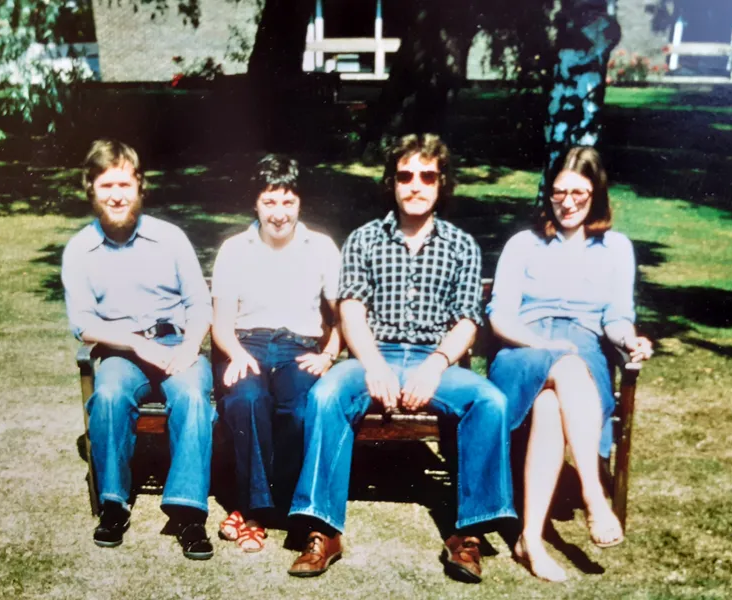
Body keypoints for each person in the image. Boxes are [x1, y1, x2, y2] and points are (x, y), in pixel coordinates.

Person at [286, 134, 515, 583]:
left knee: (492, 402)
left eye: (426, 176)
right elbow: (350, 309)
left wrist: (435, 366)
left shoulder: (461, 245)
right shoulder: (365, 239)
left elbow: (468, 320)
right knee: (326, 393)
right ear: (392, 182)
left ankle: (468, 534)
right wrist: (372, 364)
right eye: (405, 175)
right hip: (375, 353)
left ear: (440, 183)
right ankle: (321, 528)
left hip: (436, 360)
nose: (416, 185)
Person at [487, 146, 654, 582]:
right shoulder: (523, 244)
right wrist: (545, 345)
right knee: (564, 361)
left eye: (579, 192)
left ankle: (531, 539)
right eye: (559, 192)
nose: (568, 201)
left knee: (549, 406)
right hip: (523, 351)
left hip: (585, 354)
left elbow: (617, 318)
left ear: (596, 194)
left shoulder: (615, 248)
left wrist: (629, 339)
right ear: (548, 194)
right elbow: (500, 316)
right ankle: (595, 498)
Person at [61, 139, 216, 559]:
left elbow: (199, 302)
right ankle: (114, 504)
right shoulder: (79, 250)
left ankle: (188, 514)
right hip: (121, 351)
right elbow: (84, 325)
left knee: (192, 396)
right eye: (106, 184)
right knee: (108, 396)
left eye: (125, 185)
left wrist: (189, 346)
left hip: (174, 343)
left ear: (140, 187)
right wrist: (134, 343)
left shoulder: (170, 238)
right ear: (90, 189)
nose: (116, 195)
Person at [211, 155, 342, 553]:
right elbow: (220, 323)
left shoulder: (321, 248)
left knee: (301, 409)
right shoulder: (234, 249)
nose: (279, 214)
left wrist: (330, 353)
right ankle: (256, 514)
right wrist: (234, 353)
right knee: (247, 399)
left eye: (288, 202)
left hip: (297, 348)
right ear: (256, 203)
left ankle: (268, 506)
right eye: (270, 202)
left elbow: (343, 316)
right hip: (244, 344)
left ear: (300, 203)